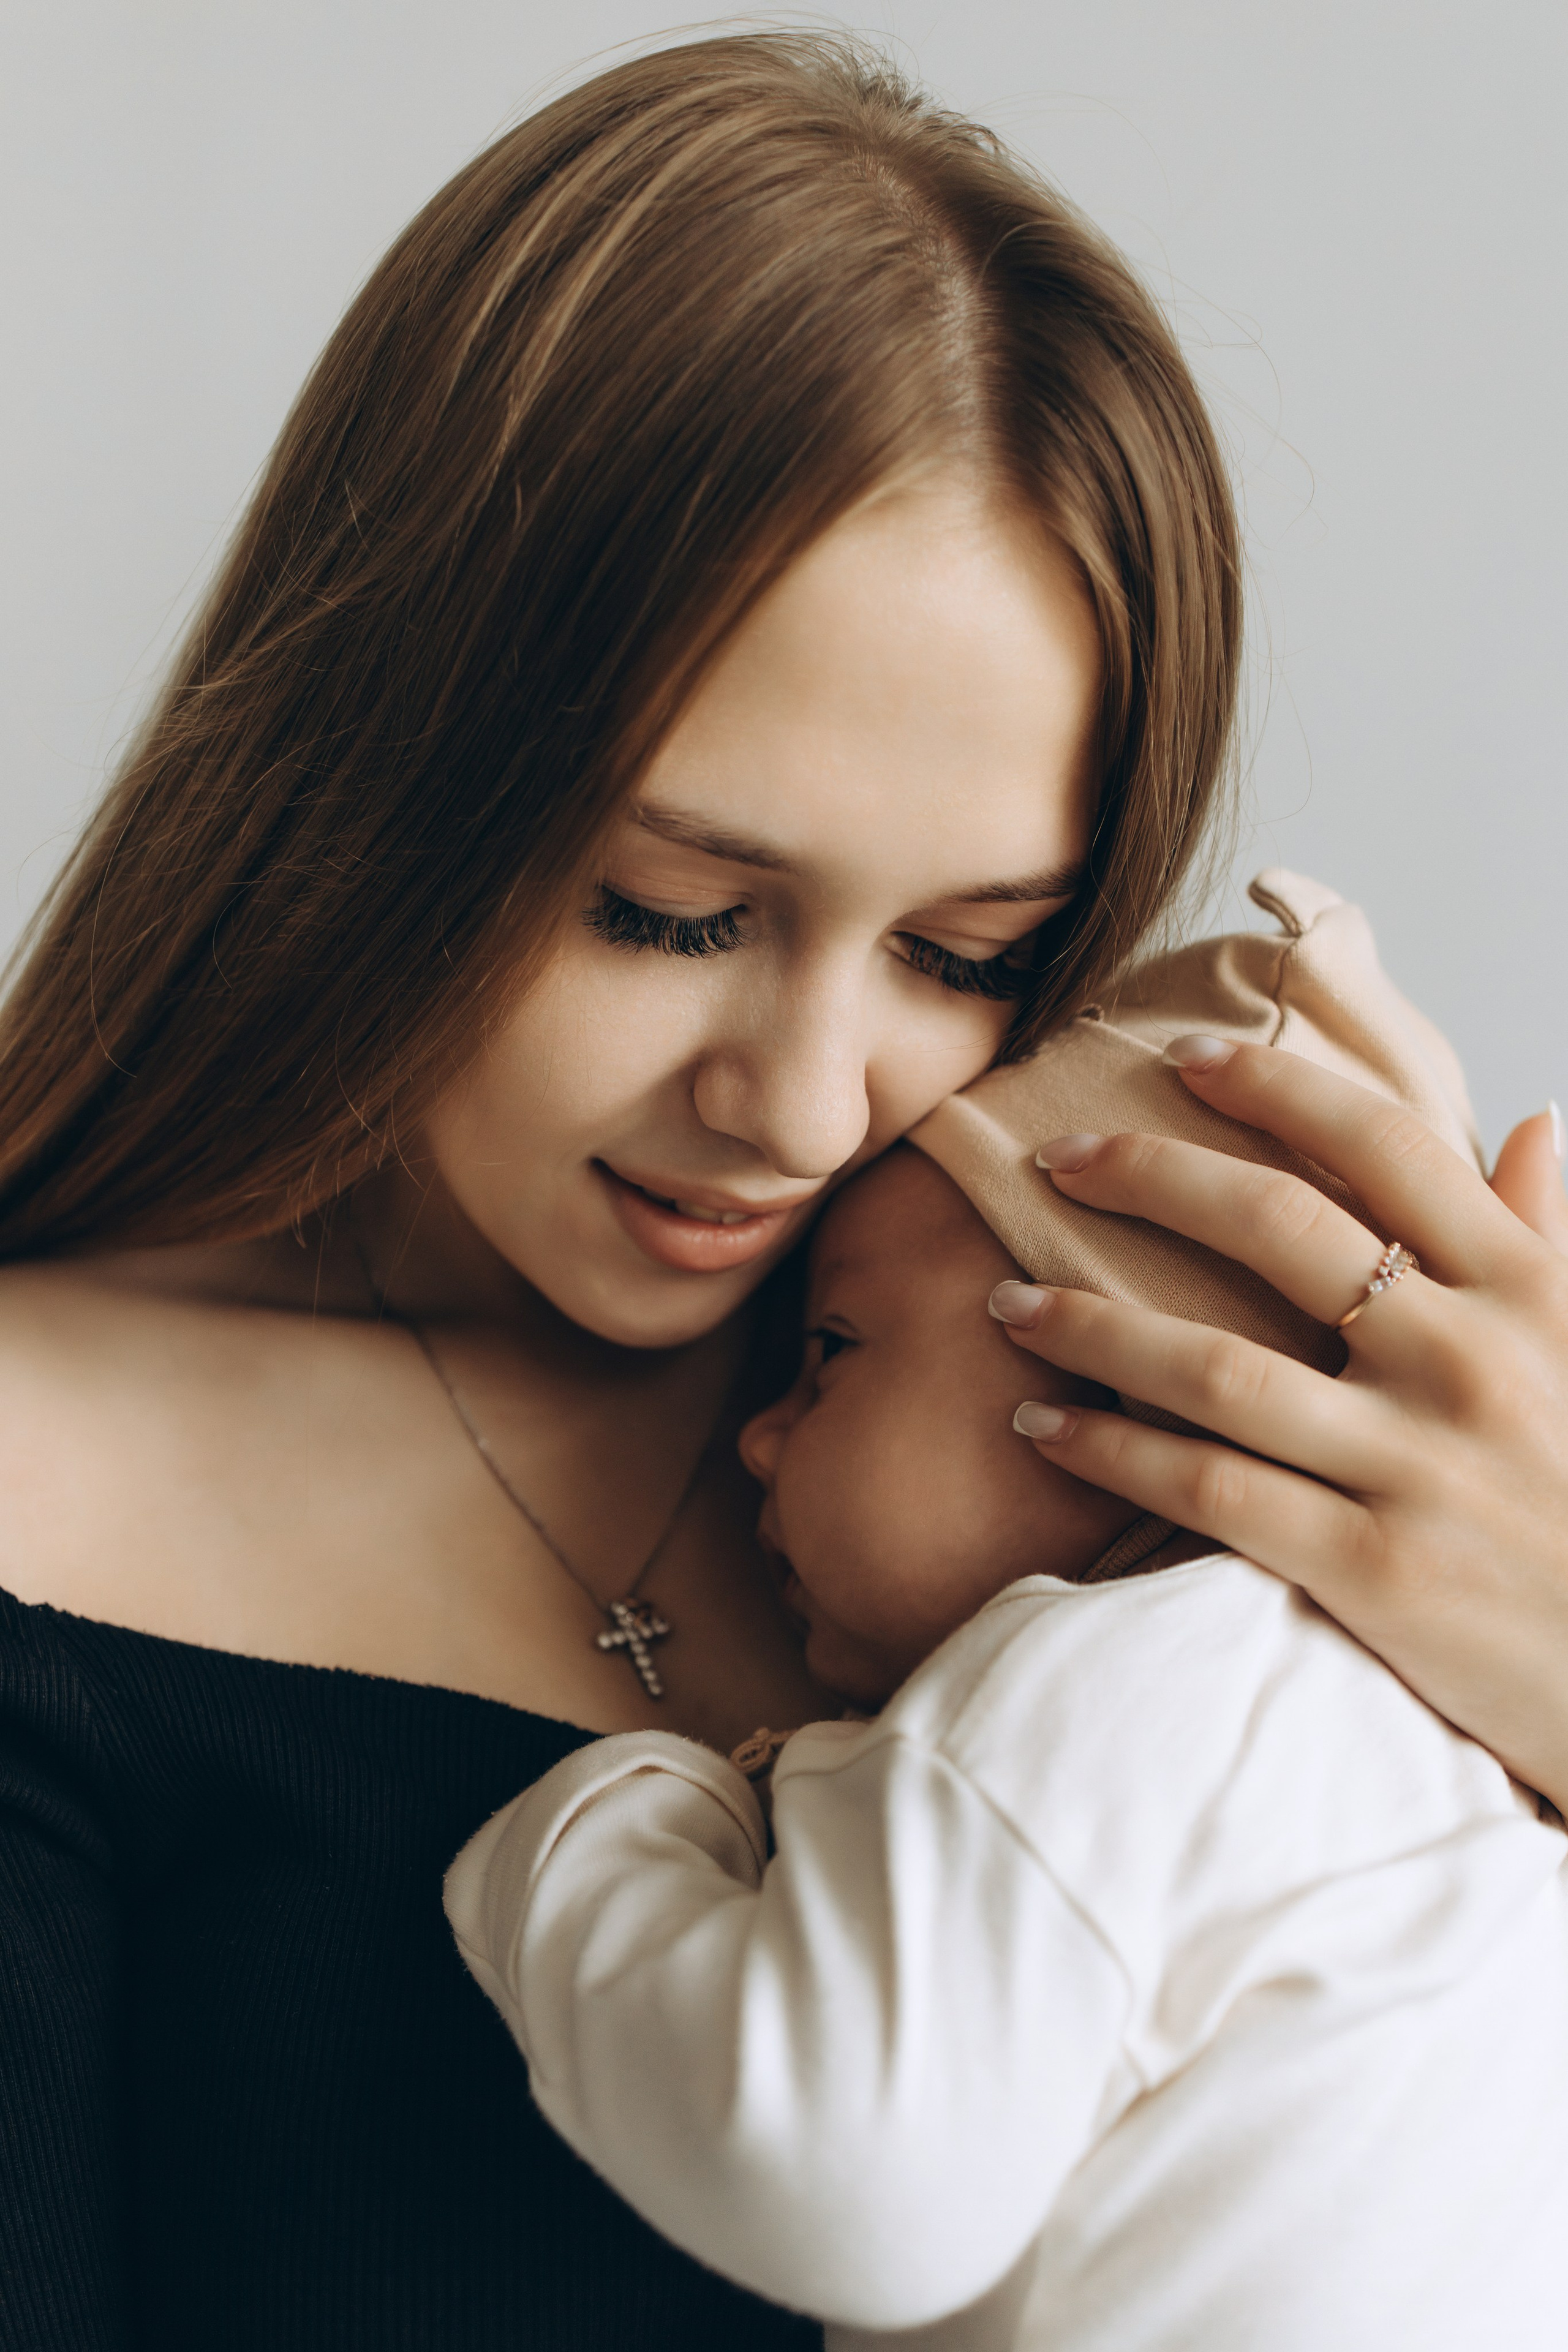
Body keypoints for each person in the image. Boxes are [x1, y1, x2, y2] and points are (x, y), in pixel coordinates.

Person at [0, 26, 1565, 2352]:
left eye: (973, 958)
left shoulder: (1195, 1443)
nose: (814, 1106)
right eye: (671, 911)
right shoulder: (45, 1503)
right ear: (375, 773)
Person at [443, 886, 1568, 2349]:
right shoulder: (1469, 1782)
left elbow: (843, 2180)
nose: (757, 1440)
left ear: (1125, 1387)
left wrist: (600, 1827)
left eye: (832, 1350)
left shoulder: (1119, 1682)